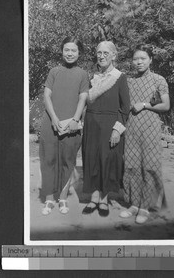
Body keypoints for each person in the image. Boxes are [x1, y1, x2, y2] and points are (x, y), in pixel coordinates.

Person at [120, 44, 170, 224]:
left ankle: (145, 207)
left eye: (143, 58)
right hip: (131, 128)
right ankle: (133, 204)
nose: (139, 62)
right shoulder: (129, 81)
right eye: (135, 59)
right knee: (131, 166)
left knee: (149, 166)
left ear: (150, 59)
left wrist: (145, 105)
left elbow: (166, 105)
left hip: (150, 128)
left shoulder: (159, 80)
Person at [39, 36, 89, 215]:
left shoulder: (83, 74)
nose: (69, 53)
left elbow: (83, 98)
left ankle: (62, 198)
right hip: (51, 124)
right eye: (66, 50)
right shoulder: (54, 71)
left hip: (72, 126)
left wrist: (76, 119)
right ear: (62, 51)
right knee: (49, 160)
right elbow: (47, 96)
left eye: (73, 50)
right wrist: (53, 118)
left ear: (79, 53)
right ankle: (50, 199)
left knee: (68, 162)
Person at [82, 41, 130, 217]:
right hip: (91, 125)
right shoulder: (92, 77)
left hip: (110, 127)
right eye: (99, 53)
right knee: (92, 160)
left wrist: (117, 130)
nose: (101, 56)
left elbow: (125, 107)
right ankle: (94, 198)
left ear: (114, 56)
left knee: (107, 161)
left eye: (105, 53)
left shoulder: (120, 77)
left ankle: (104, 200)